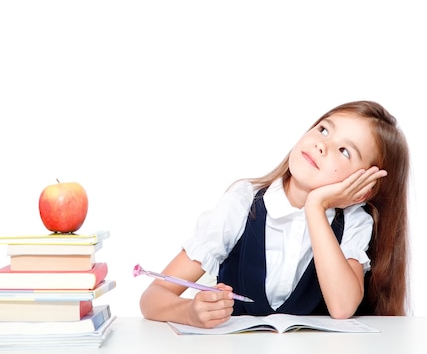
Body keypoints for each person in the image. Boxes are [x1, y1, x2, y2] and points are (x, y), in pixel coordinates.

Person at [140, 100, 410, 328]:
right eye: (324, 129)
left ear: (362, 188)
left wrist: (316, 207)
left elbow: (342, 307)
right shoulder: (243, 203)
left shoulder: (354, 222)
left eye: (344, 151)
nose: (321, 145)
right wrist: (189, 313)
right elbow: (153, 297)